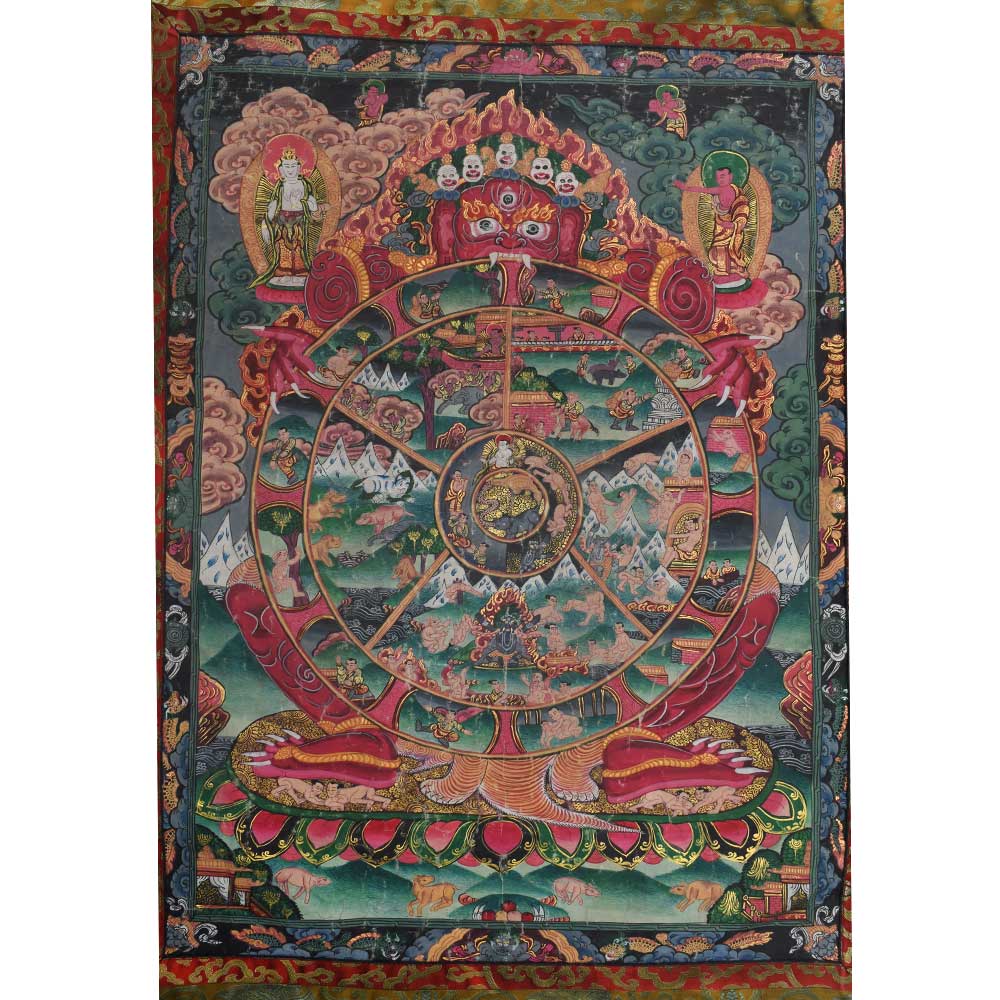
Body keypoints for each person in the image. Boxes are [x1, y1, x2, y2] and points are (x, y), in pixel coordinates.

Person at [673, 163, 751, 286]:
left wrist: (733, 225)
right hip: (720, 225)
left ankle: (731, 271)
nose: (721, 179)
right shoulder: (719, 190)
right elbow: (703, 190)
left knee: (729, 249)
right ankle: (722, 273)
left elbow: (742, 211)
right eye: (718, 177)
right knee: (717, 249)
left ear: (730, 177)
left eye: (723, 176)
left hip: (731, 226)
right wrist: (685, 188)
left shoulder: (738, 195)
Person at [253, 148, 320, 289]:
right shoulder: (281, 185)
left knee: (299, 248)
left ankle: (300, 274)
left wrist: (309, 204)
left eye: (293, 166)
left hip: (299, 223)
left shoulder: (304, 184)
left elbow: (311, 202)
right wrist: (265, 224)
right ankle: (283, 273)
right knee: (283, 248)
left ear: (299, 168)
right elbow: (274, 204)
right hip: (282, 222)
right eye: (287, 166)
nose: (290, 170)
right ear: (281, 170)